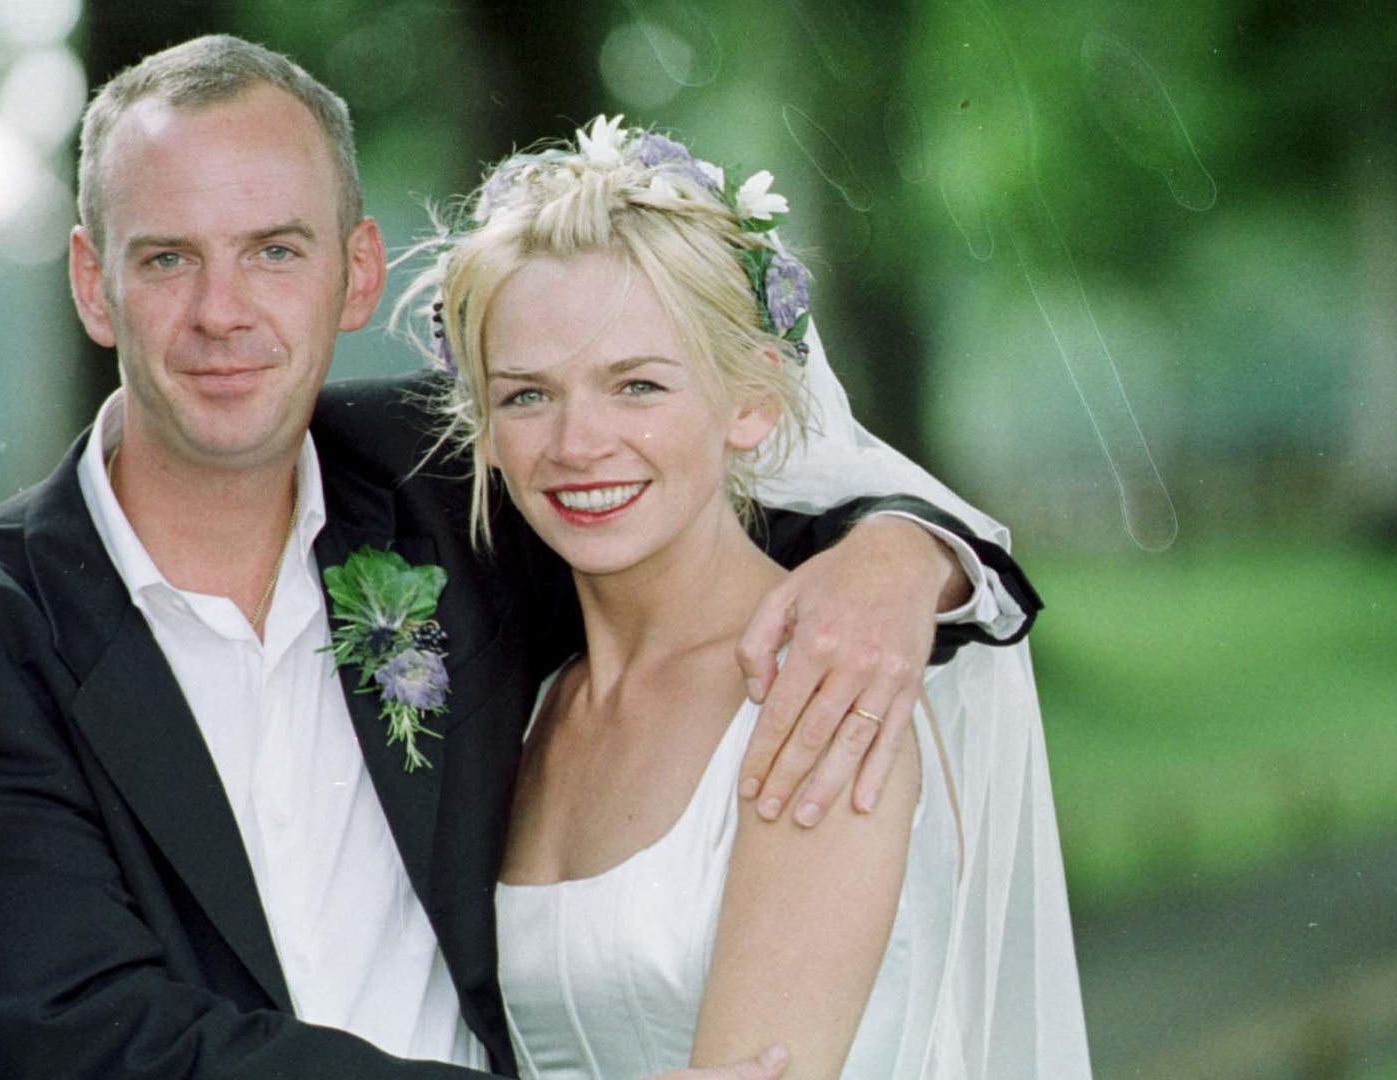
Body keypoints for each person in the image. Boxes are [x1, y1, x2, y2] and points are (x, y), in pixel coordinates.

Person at [0, 36, 1041, 1079]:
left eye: (276, 250)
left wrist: (906, 556)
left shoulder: (454, 477)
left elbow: (702, 494)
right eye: (167, 257)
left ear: (356, 273)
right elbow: (85, 1043)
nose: (223, 311)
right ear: (96, 284)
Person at [400, 117, 1090, 1078]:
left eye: (637, 385)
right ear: (481, 422)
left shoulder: (824, 686)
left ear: (754, 400)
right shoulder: (534, 704)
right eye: (525, 396)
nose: (576, 441)